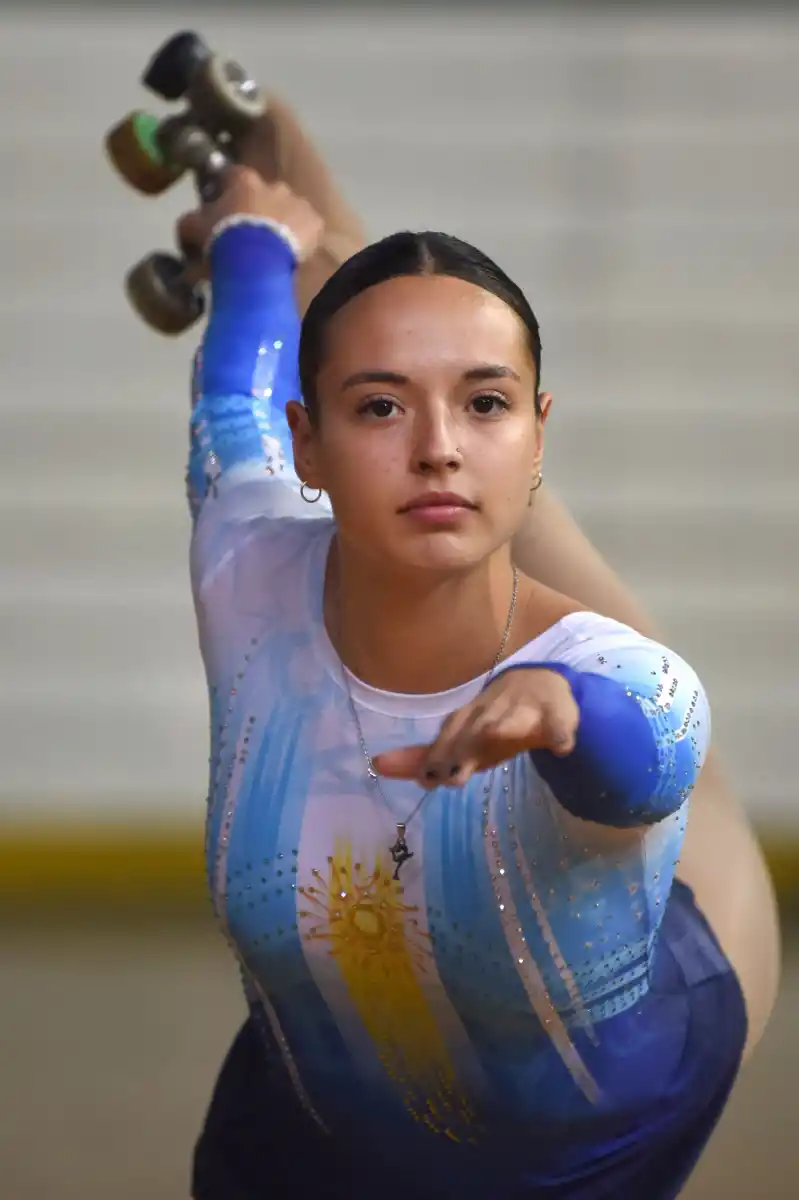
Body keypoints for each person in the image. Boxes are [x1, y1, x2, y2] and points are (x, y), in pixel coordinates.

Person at [175, 154, 774, 1200]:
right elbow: (233, 405)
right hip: (298, 1146)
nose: (438, 449)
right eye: (378, 409)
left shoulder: (615, 675)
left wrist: (566, 711)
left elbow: (650, 749)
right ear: (304, 444)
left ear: (541, 428)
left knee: (684, 767)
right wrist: (254, 243)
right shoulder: (248, 564)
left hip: (588, 1154)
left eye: (485, 404)